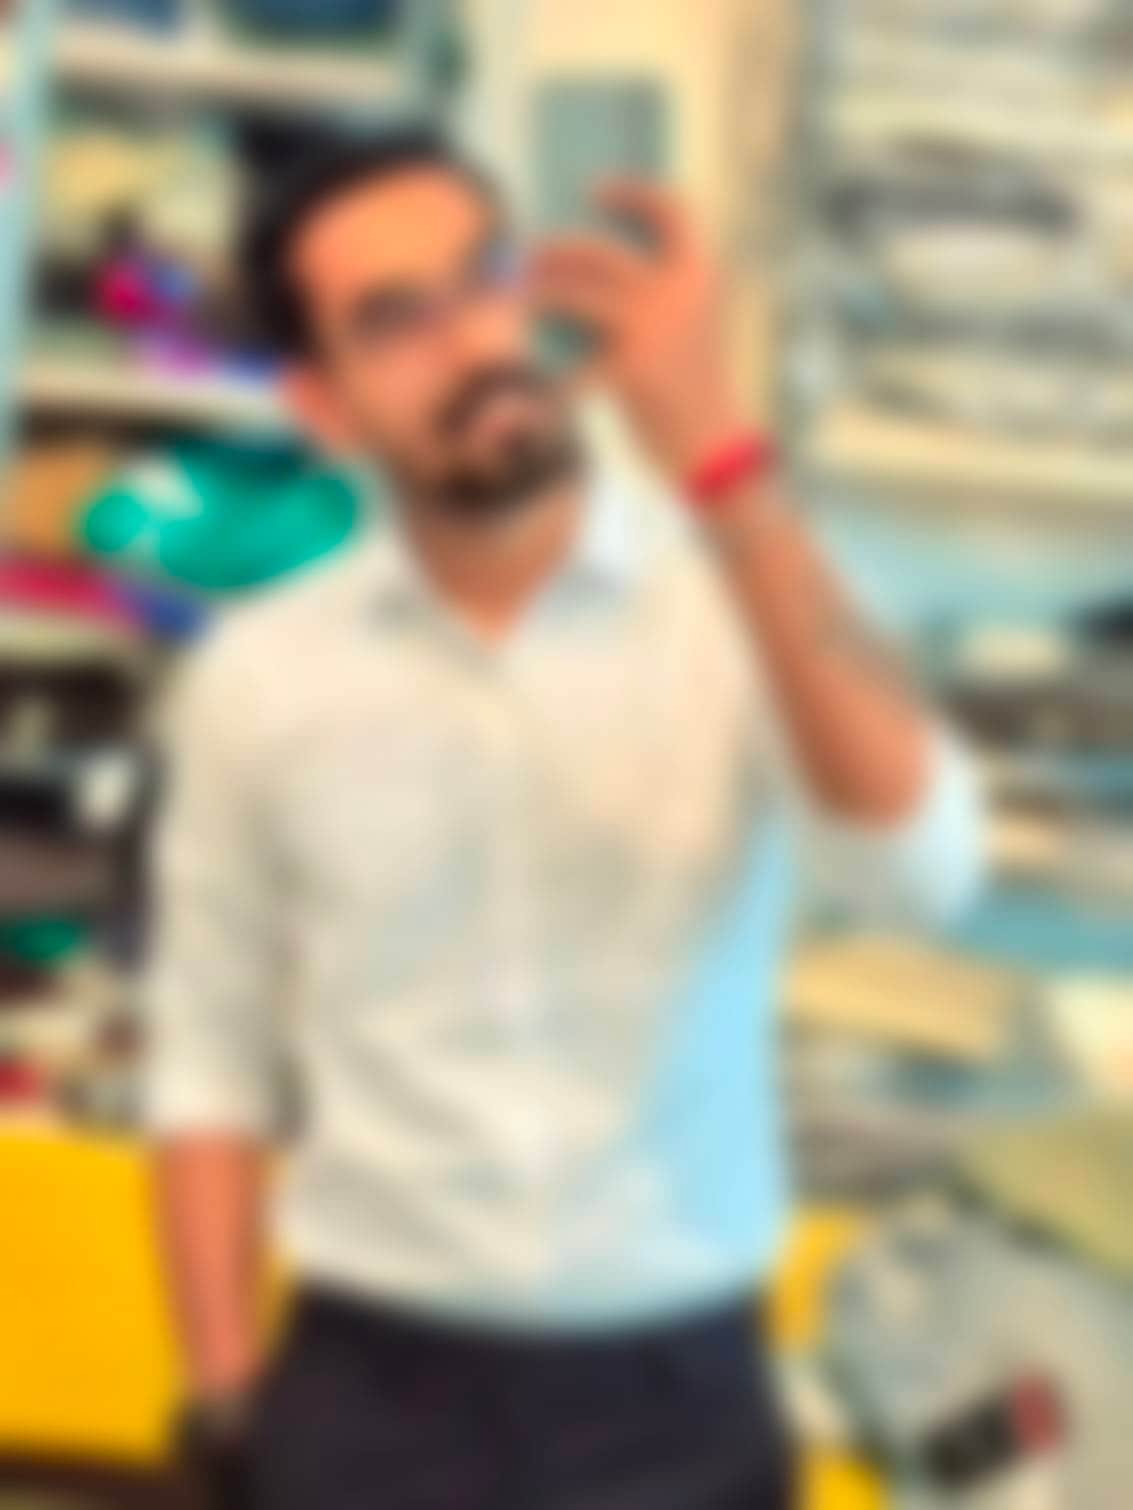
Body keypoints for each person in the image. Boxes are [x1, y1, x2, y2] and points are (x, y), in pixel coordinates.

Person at [147, 127, 983, 1510]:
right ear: (324, 406)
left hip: (678, 1397)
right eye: (394, 320)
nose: (474, 341)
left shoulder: (741, 597)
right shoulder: (260, 677)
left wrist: (720, 454)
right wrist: (226, 1395)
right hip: (365, 1391)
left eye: (484, 276)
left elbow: (924, 873)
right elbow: (208, 1055)